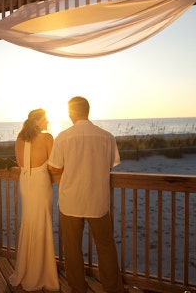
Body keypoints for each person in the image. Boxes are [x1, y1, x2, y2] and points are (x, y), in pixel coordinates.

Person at [48, 96, 124, 293]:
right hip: (97, 201)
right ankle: (113, 288)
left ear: (72, 112)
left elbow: (55, 167)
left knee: (72, 249)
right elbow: (110, 164)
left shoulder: (63, 137)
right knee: (106, 246)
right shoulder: (107, 136)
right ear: (87, 111)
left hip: (71, 201)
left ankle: (78, 287)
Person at [9, 108, 60, 292]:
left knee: (29, 223)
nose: (48, 121)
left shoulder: (19, 139)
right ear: (37, 121)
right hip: (40, 184)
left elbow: (19, 162)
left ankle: (26, 269)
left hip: (25, 183)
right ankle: (40, 273)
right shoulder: (47, 138)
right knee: (42, 224)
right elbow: (55, 165)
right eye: (45, 119)